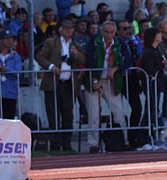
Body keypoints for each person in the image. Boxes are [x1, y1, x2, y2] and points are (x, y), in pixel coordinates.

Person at [36, 19, 85, 151]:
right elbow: (40, 56)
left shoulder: (76, 45)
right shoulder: (51, 42)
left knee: (68, 115)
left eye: (71, 28)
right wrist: (51, 66)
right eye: (66, 28)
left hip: (68, 84)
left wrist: (76, 54)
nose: (68, 30)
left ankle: (67, 143)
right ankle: (56, 144)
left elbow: (82, 60)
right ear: (60, 30)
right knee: (53, 115)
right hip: (53, 83)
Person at [83, 19, 130, 152]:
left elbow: (128, 60)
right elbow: (90, 61)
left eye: (112, 32)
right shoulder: (94, 41)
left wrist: (115, 68)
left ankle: (124, 141)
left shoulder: (120, 42)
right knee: (94, 113)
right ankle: (93, 144)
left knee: (118, 111)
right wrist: (94, 81)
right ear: (101, 31)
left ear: (115, 32)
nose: (109, 35)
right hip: (95, 79)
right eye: (106, 32)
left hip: (111, 80)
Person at [117, 18, 147, 148]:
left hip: (131, 78)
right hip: (119, 78)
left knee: (137, 108)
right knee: (118, 111)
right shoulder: (116, 43)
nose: (128, 31)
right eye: (124, 29)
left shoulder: (132, 42)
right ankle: (124, 139)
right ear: (118, 31)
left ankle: (132, 136)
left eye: (129, 28)